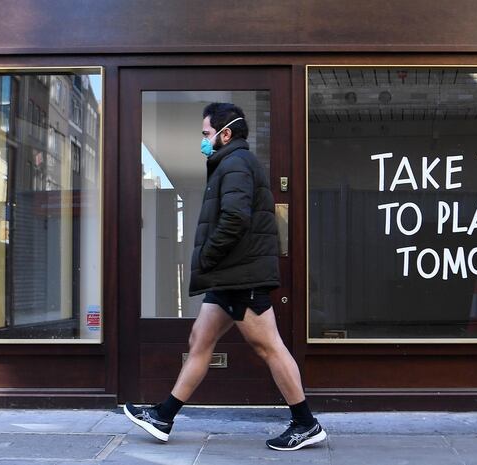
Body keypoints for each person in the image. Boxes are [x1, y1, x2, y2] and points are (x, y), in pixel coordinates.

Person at [123, 103, 327, 451]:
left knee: (270, 346)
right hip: (230, 278)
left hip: (240, 277)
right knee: (199, 340)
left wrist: (207, 256)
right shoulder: (230, 164)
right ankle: (163, 416)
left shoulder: (235, 163)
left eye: (206, 134)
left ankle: (305, 423)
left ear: (225, 133)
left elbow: (234, 218)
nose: (203, 141)